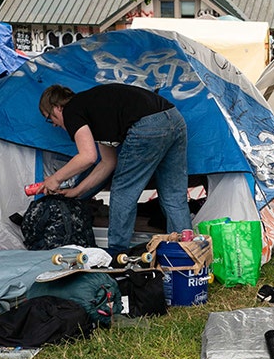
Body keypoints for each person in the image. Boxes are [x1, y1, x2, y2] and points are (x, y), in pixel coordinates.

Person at [38, 83, 192, 257]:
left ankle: (117, 253)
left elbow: (87, 157)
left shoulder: (71, 110)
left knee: (122, 191)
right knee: (173, 196)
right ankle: (186, 254)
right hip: (174, 118)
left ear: (57, 107)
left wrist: (54, 179)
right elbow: (107, 163)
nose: (54, 125)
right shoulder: (96, 109)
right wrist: (77, 191)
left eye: (50, 118)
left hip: (148, 125)